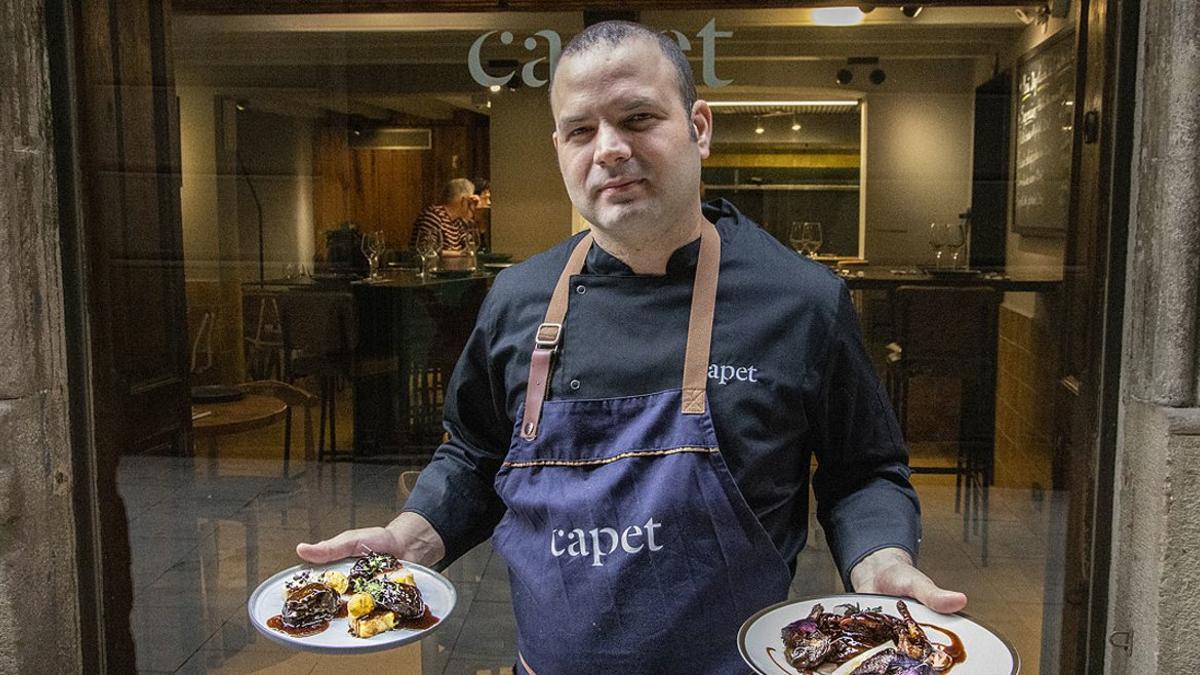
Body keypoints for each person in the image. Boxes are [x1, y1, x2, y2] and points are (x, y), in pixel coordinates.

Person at [300, 20, 966, 672]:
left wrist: (881, 556)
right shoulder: (517, 300)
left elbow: (864, 470)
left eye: (638, 118)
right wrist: (409, 537)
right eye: (582, 130)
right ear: (559, 145)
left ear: (699, 128)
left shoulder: (800, 300)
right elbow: (476, 455)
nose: (608, 148)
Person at [408, 177, 477, 254]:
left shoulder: (457, 222)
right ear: (464, 201)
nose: (472, 204)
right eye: (470, 201)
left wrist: (471, 214)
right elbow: (426, 250)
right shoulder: (434, 216)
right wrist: (459, 253)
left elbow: (470, 247)